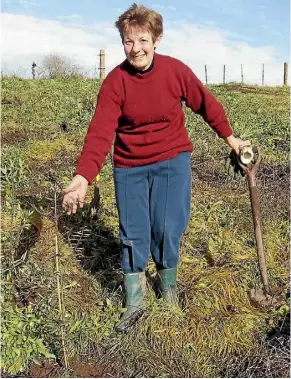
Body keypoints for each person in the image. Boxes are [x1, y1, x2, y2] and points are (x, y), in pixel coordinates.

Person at [62, 3, 250, 331]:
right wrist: (83, 176)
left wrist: (232, 140)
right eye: (128, 41)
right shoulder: (115, 82)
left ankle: (168, 288)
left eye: (143, 40)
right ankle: (134, 302)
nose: (135, 49)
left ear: (157, 40)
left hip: (170, 160)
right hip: (130, 166)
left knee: (166, 228)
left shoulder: (175, 72)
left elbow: (207, 104)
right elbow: (100, 132)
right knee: (133, 232)